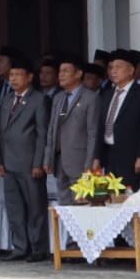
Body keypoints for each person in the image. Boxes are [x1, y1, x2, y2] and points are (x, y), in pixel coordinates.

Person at [0, 56, 49, 262]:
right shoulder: (8, 99)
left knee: (35, 207)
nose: (13, 79)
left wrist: (38, 163)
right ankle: (20, 247)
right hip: (9, 163)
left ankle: (38, 248)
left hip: (29, 164)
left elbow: (42, 134)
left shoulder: (38, 99)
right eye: (11, 75)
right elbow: (2, 132)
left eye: (18, 75)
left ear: (29, 77)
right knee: (15, 208)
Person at [92, 49, 140, 195]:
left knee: (129, 198)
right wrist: (97, 156)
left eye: (118, 67)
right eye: (111, 67)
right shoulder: (107, 94)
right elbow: (100, 127)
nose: (113, 71)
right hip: (109, 154)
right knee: (110, 197)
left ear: (131, 70)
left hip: (130, 156)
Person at [43, 55, 100, 206]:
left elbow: (93, 133)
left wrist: (89, 164)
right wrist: (48, 157)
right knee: (64, 208)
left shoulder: (90, 98)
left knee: (82, 207)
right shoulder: (58, 98)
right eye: (60, 71)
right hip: (59, 161)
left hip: (80, 163)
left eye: (65, 71)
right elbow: (52, 128)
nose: (60, 75)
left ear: (78, 74)